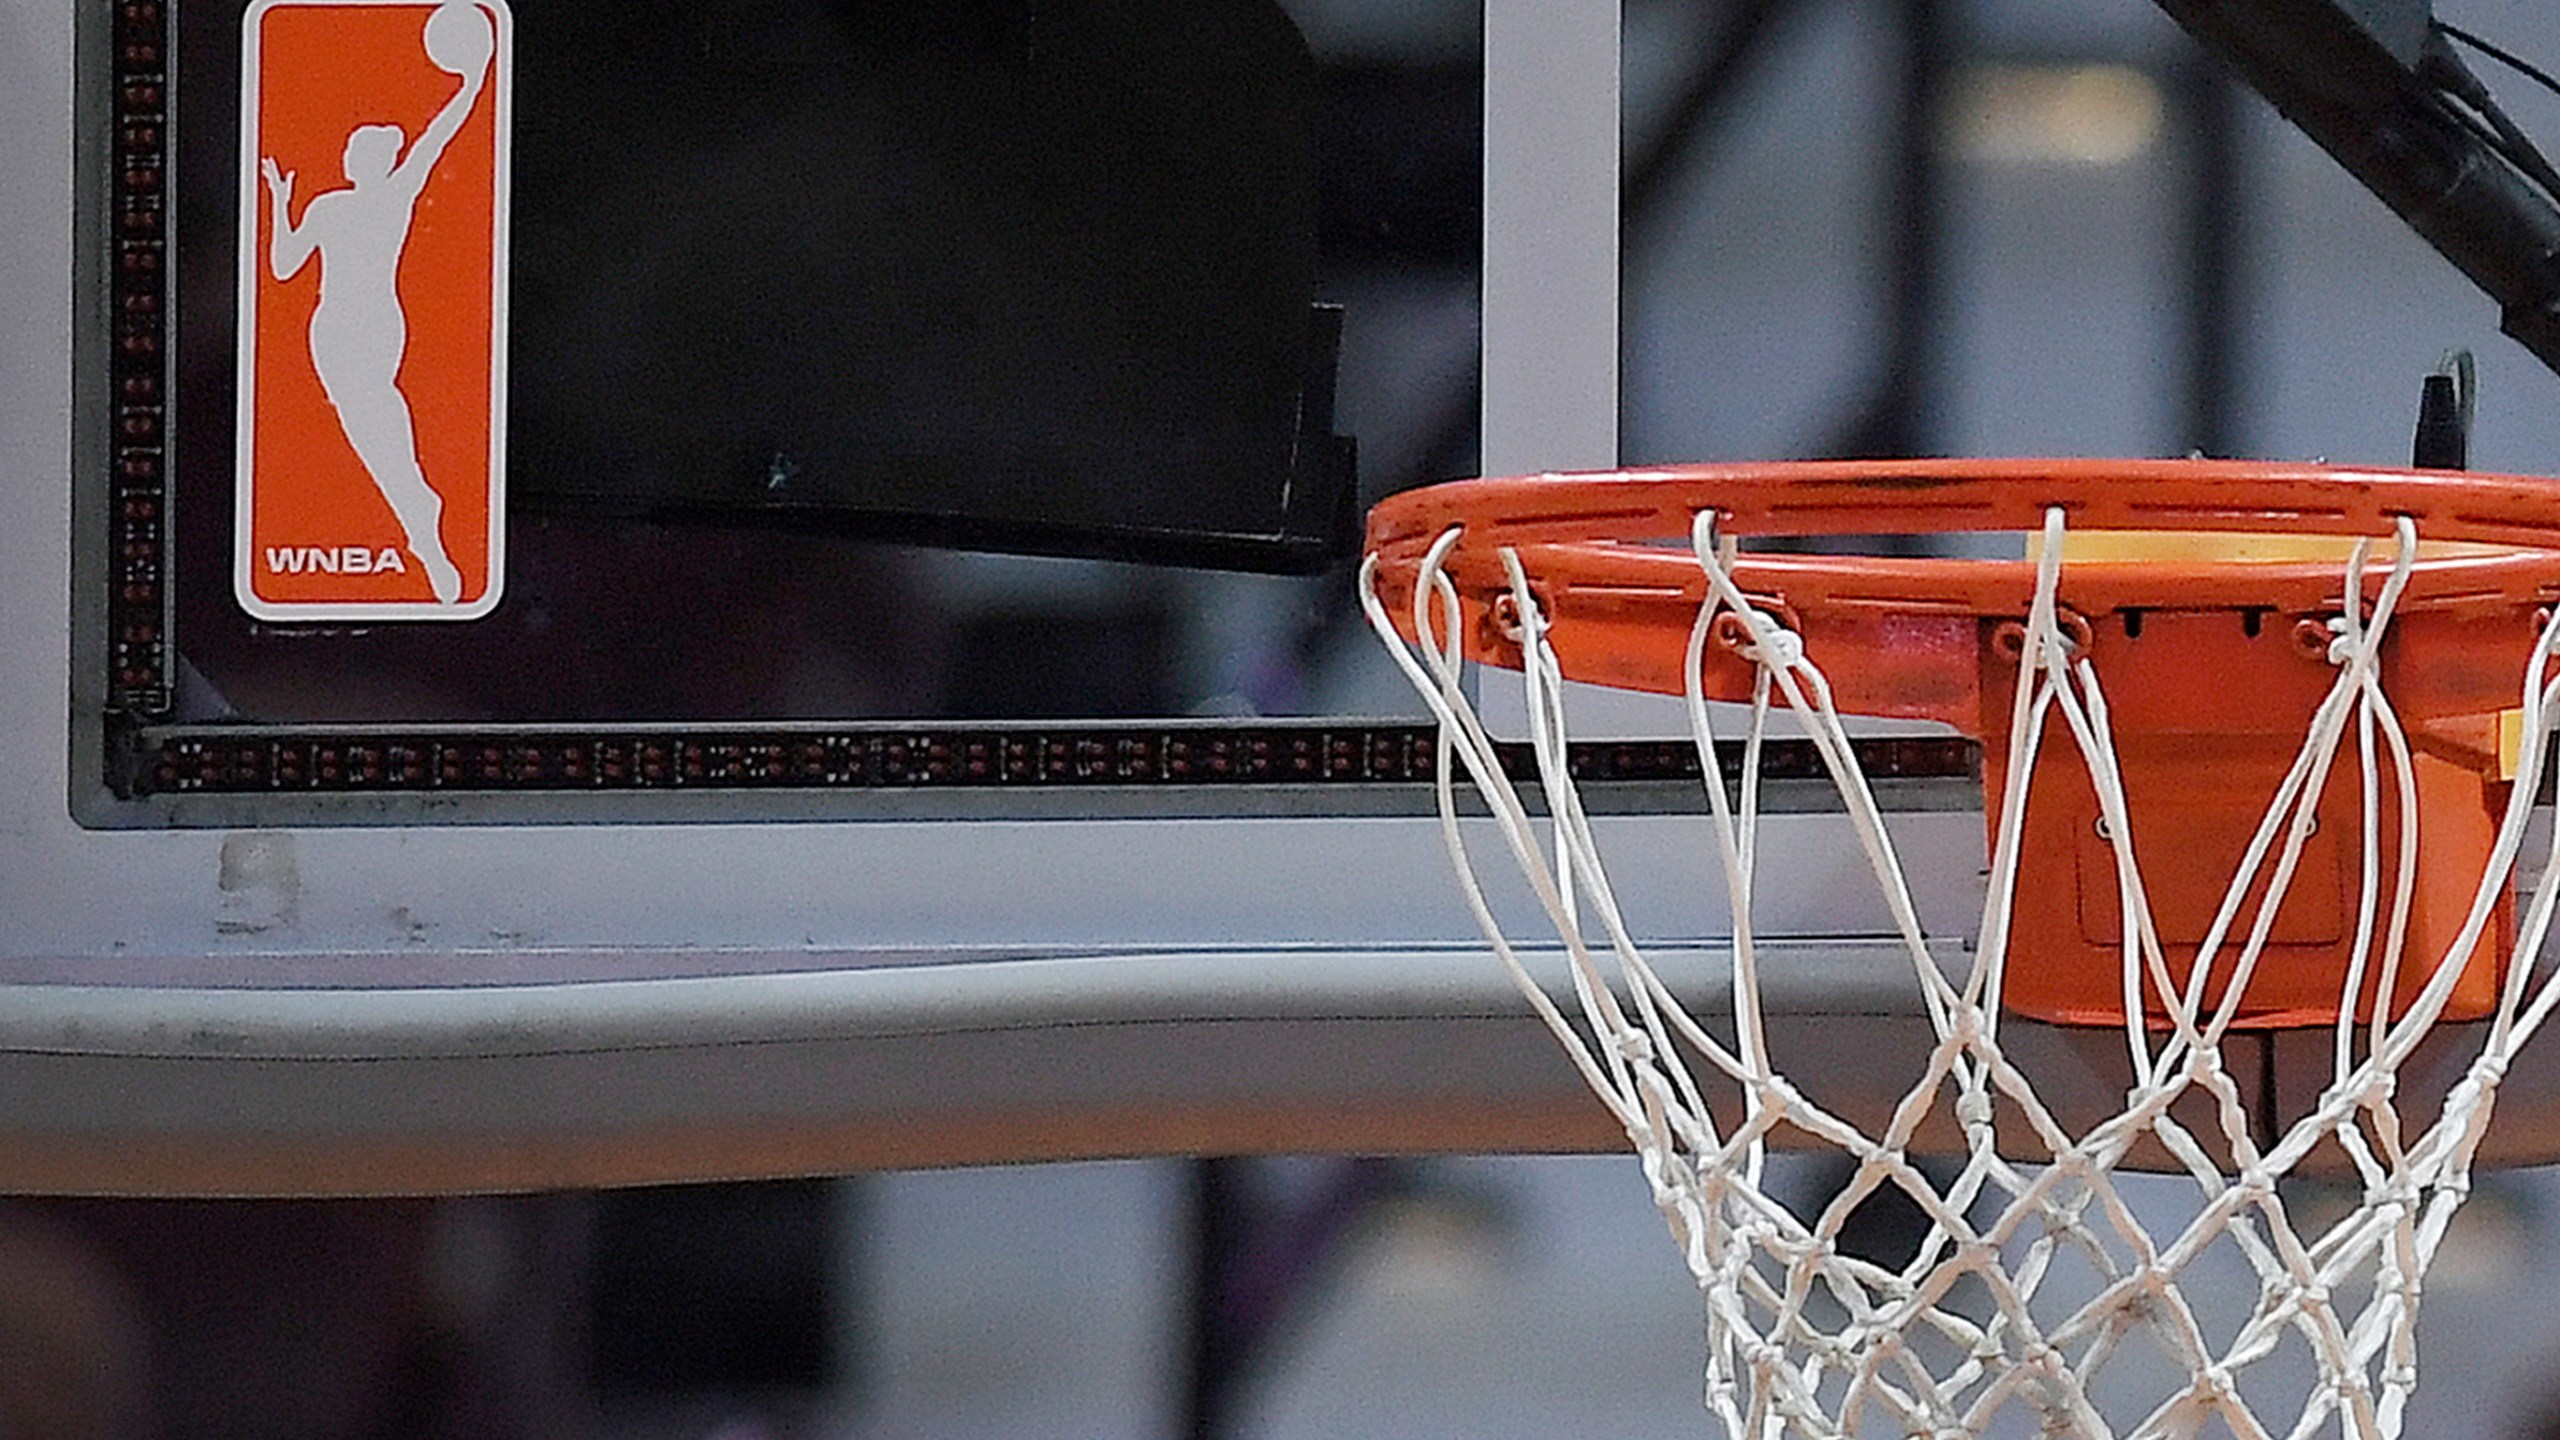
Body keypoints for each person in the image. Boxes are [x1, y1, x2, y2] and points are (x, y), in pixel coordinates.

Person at [259, 6, 492, 605]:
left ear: (370, 162)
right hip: (341, 329)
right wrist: (279, 200)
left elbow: (437, 140)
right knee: (371, 424)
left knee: (374, 422)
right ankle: (420, 514)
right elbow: (282, 268)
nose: (358, 159)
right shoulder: (356, 203)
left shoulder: (382, 199)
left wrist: (474, 81)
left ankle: (421, 519)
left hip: (360, 327)